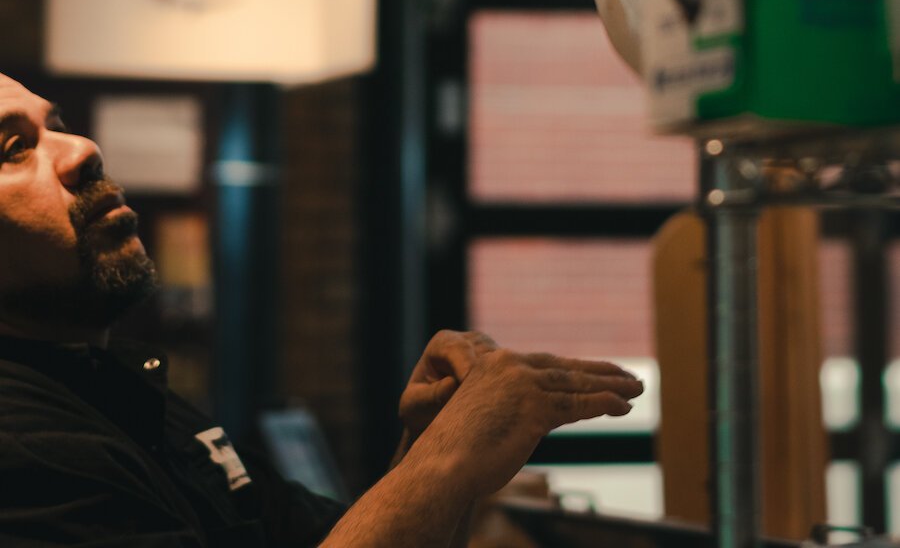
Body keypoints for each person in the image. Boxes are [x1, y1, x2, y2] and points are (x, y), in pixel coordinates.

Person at [0, 70, 644, 546]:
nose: (81, 148)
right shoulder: (22, 449)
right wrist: (447, 457)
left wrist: (424, 447)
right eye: (14, 149)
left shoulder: (120, 392)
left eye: (55, 126)